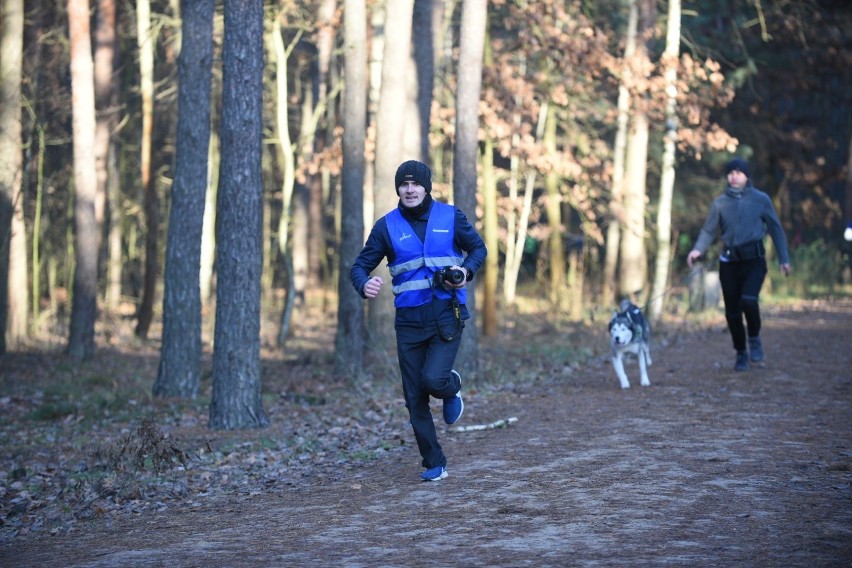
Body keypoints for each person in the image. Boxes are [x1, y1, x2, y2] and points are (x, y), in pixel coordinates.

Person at [351, 159, 487, 482]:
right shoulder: (386, 227)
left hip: (446, 315)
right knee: (414, 399)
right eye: (404, 184)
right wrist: (363, 284)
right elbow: (359, 266)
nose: (409, 190)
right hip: (409, 323)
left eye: (415, 184)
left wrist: (466, 272)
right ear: (398, 188)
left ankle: (450, 386)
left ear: (427, 187)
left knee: (433, 381)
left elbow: (478, 248)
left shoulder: (450, 216)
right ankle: (434, 463)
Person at [687, 157, 791, 371]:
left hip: (754, 261)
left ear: (747, 176)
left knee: (749, 300)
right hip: (729, 263)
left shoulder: (761, 199)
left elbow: (775, 228)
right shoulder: (720, 203)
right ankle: (741, 352)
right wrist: (698, 249)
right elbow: (708, 230)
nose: (734, 176)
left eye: (738, 172)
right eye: (730, 173)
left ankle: (754, 338)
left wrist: (784, 259)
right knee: (732, 312)